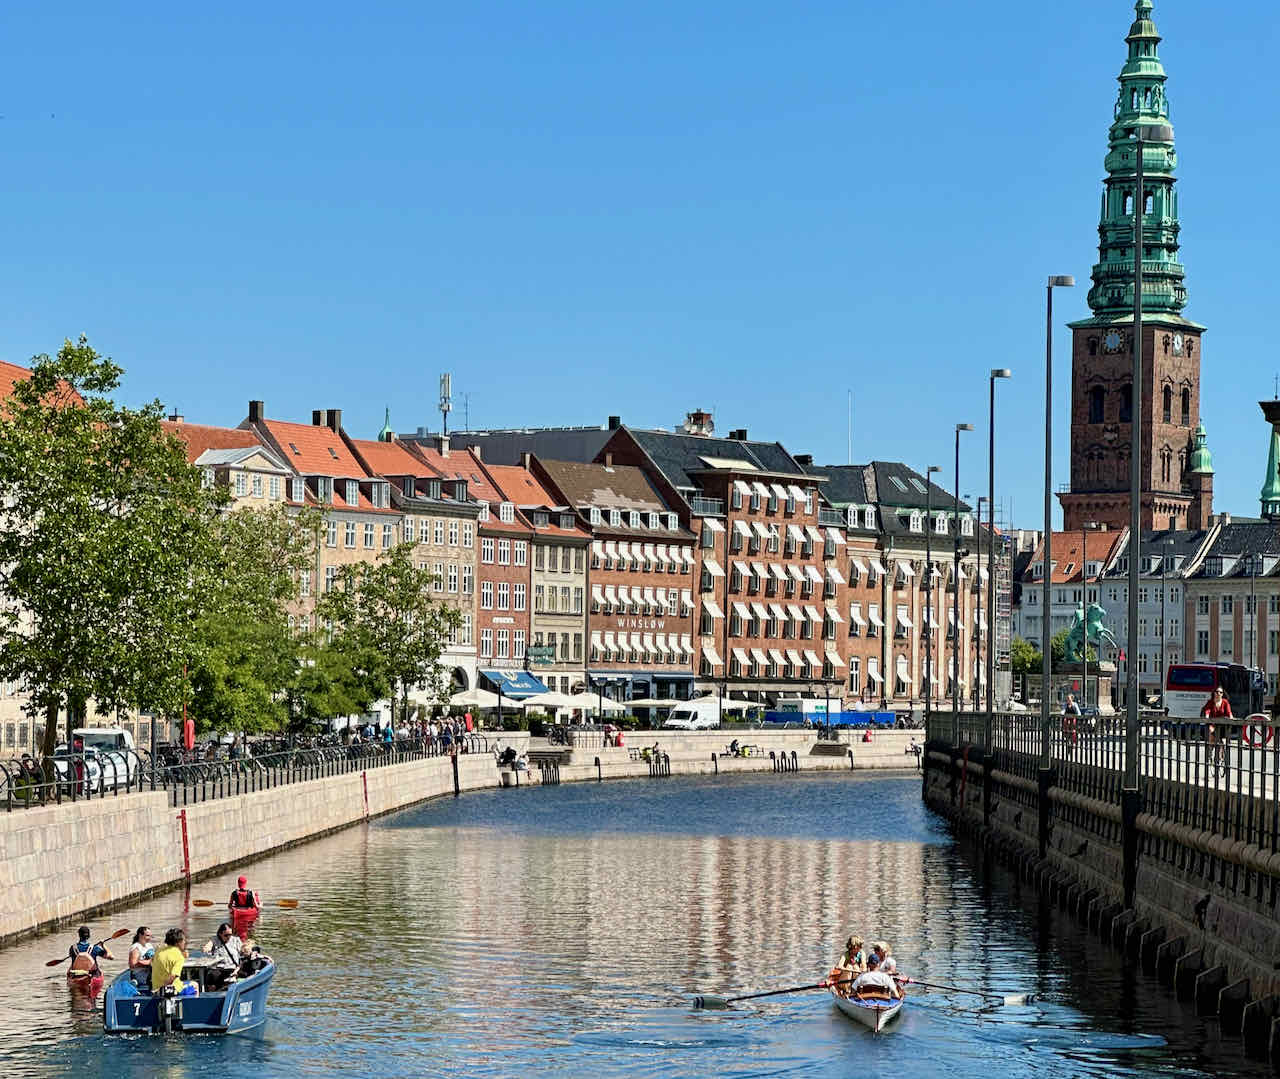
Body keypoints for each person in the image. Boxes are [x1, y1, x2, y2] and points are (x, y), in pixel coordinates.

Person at [151, 928, 197, 995]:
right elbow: (172, 977)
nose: (185, 942)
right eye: (184, 940)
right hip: (170, 989)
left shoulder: (159, 950)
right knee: (195, 984)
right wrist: (162, 989)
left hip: (155, 987)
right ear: (178, 942)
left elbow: (152, 962)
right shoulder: (178, 956)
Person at [1201, 685, 1232, 771]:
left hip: (1222, 724)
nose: (1218, 693)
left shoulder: (1225, 702)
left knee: (1222, 741)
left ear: (1222, 694)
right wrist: (1207, 717)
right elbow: (1207, 711)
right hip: (1213, 724)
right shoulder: (1210, 702)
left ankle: (1221, 756)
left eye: (1220, 692)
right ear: (1214, 693)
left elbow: (1229, 713)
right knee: (1212, 733)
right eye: (1217, 692)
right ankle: (1210, 751)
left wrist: (1231, 719)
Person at [204, 922, 243, 989]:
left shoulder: (235, 940)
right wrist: (207, 948)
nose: (228, 937)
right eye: (226, 935)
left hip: (232, 968)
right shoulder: (215, 940)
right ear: (220, 934)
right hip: (219, 968)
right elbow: (208, 946)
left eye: (230, 935)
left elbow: (244, 951)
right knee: (211, 975)